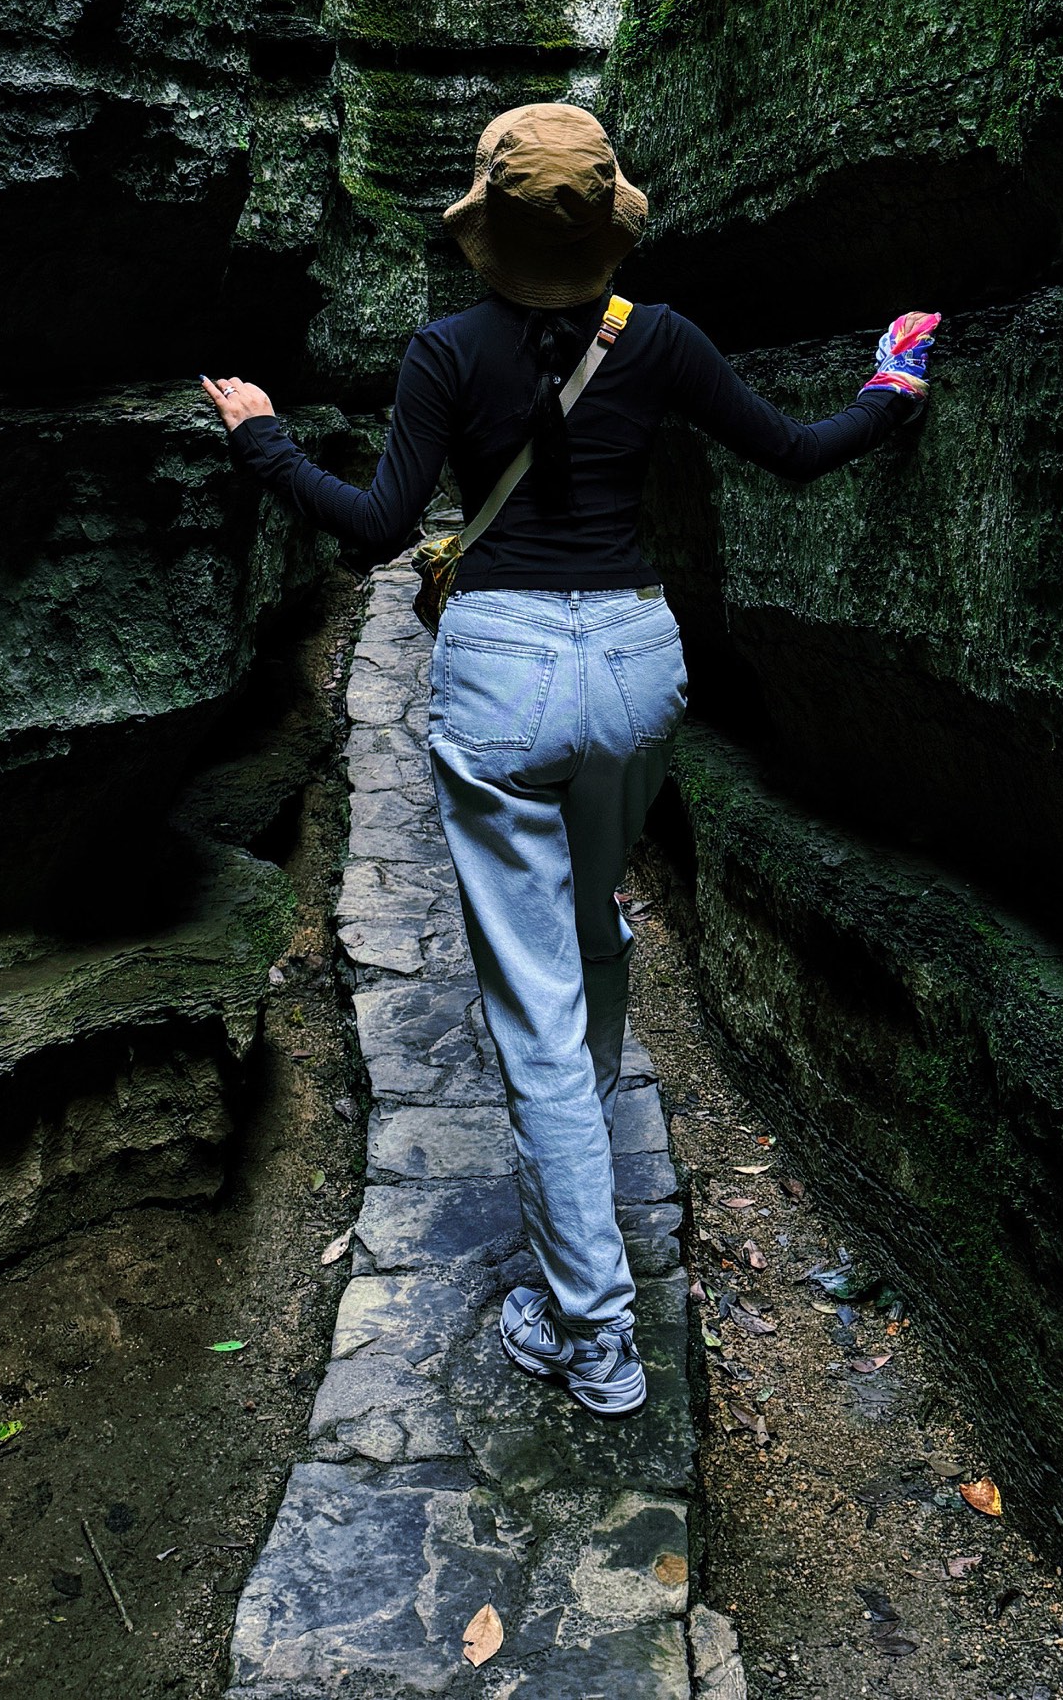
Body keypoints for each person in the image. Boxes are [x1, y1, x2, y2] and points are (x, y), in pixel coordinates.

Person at [200, 101, 936, 1420]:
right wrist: (890, 386)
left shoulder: (444, 351)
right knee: (590, 924)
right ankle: (583, 1124)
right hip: (638, 668)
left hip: (501, 671)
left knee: (533, 1005)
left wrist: (260, 434)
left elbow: (375, 528)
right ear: (607, 224)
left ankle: (591, 1331)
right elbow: (796, 453)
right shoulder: (661, 341)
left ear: (486, 234)